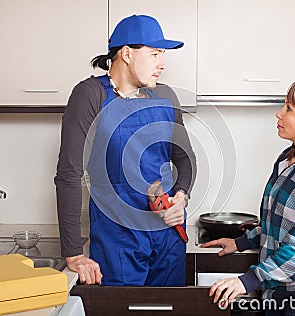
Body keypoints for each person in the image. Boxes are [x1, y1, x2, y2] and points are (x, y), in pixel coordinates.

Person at [54, 14, 196, 286]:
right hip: (118, 239)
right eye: (155, 54)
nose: (163, 64)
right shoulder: (91, 95)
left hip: (168, 233)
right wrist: (72, 253)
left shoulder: (166, 96)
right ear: (127, 54)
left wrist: (180, 199)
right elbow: (69, 174)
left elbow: (185, 158)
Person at [202, 81, 295, 315]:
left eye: (289, 108)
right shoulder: (288, 160)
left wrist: (248, 280)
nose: (279, 113)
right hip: (277, 292)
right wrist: (241, 242)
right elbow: (278, 224)